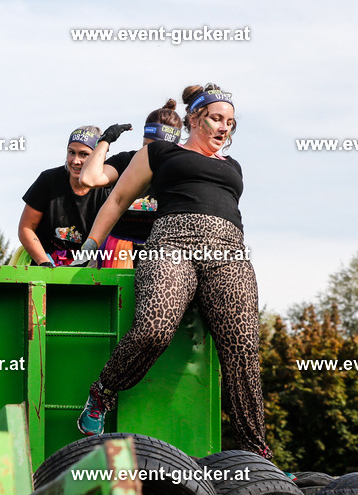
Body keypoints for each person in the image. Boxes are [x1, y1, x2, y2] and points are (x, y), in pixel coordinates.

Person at [76, 84, 272, 459]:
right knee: (154, 329)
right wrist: (91, 244)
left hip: (228, 253)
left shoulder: (232, 166)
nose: (224, 128)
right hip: (172, 245)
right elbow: (117, 198)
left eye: (230, 122)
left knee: (243, 349)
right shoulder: (160, 152)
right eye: (216, 118)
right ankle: (103, 391)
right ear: (194, 119)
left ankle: (257, 453)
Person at [77, 100, 184, 268]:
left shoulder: (182, 170)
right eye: (147, 147)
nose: (152, 155)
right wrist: (105, 140)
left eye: (160, 149)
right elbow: (88, 179)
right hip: (118, 251)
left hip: (160, 252)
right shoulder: (127, 160)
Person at [16, 126, 111, 267]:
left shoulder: (108, 189)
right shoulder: (48, 180)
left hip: (89, 267)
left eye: (84, 154)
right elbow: (26, 228)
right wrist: (44, 262)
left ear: (100, 157)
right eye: (71, 152)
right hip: (43, 262)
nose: (75, 161)